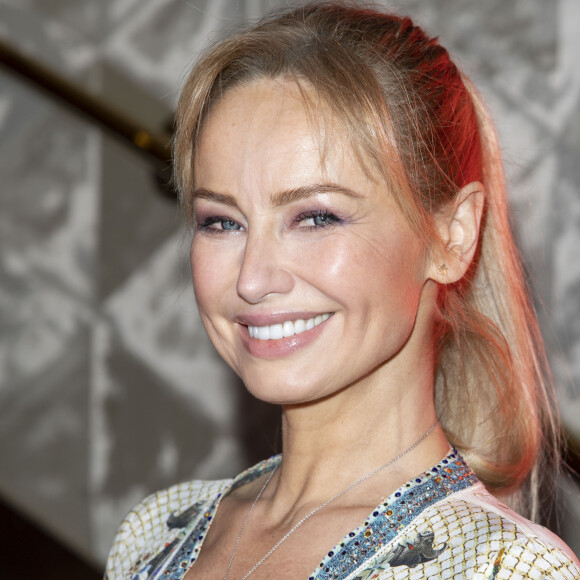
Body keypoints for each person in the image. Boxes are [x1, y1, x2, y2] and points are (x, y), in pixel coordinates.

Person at [105, 2, 580, 578]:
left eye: (316, 217)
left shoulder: (503, 568)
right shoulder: (155, 531)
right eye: (221, 222)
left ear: (453, 236)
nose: (253, 279)